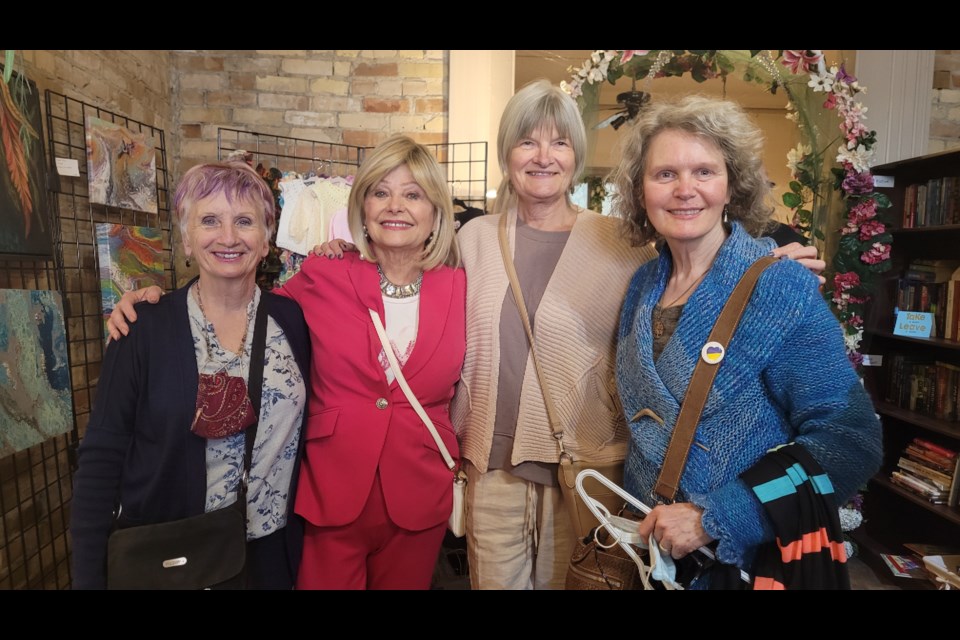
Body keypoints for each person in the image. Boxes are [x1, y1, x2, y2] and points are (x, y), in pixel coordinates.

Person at [317, 80, 825, 590]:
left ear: (576, 156)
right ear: (507, 154)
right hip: (490, 473)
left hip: (588, 473)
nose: (543, 157)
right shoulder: (470, 238)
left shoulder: (620, 241)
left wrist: (767, 258)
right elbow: (408, 271)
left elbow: (694, 268)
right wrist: (345, 250)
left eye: (559, 142)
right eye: (527, 142)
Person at [106, 135, 465, 590]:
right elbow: (242, 306)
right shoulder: (325, 273)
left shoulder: (461, 287)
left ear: (435, 211)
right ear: (363, 206)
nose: (395, 206)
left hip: (418, 496)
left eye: (412, 194)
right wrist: (151, 302)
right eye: (380, 192)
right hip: (332, 498)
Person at [608, 94, 882, 588]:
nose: (685, 190)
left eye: (704, 172)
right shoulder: (642, 286)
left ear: (732, 186)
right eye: (665, 174)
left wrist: (716, 517)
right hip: (653, 558)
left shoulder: (779, 288)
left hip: (741, 562)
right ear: (640, 190)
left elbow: (851, 440)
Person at [71, 161, 311, 589]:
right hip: (170, 557)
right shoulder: (142, 328)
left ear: (266, 238)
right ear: (186, 237)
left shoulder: (291, 321)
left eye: (244, 221)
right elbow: (101, 460)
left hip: (268, 556)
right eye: (209, 221)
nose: (228, 237)